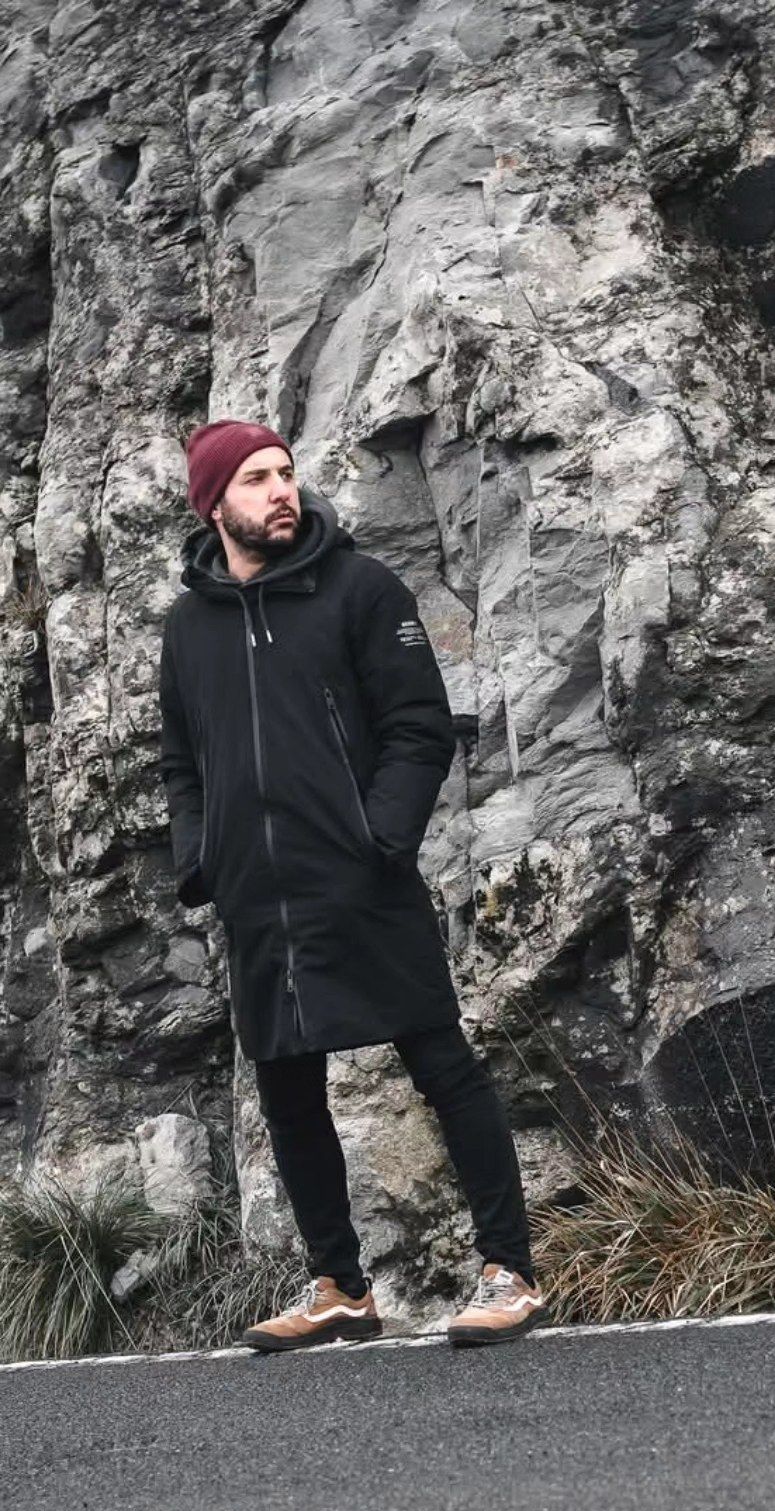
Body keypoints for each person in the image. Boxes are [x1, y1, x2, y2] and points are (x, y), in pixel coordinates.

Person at [157, 417, 549, 1353]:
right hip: (256, 895)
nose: (280, 490)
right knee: (288, 1092)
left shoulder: (361, 590)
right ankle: (338, 1285)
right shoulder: (188, 627)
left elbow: (420, 727)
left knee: (442, 1067)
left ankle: (510, 1271)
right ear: (215, 504)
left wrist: (379, 836)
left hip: (359, 879)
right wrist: (200, 860)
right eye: (255, 479)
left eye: (285, 473)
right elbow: (181, 761)